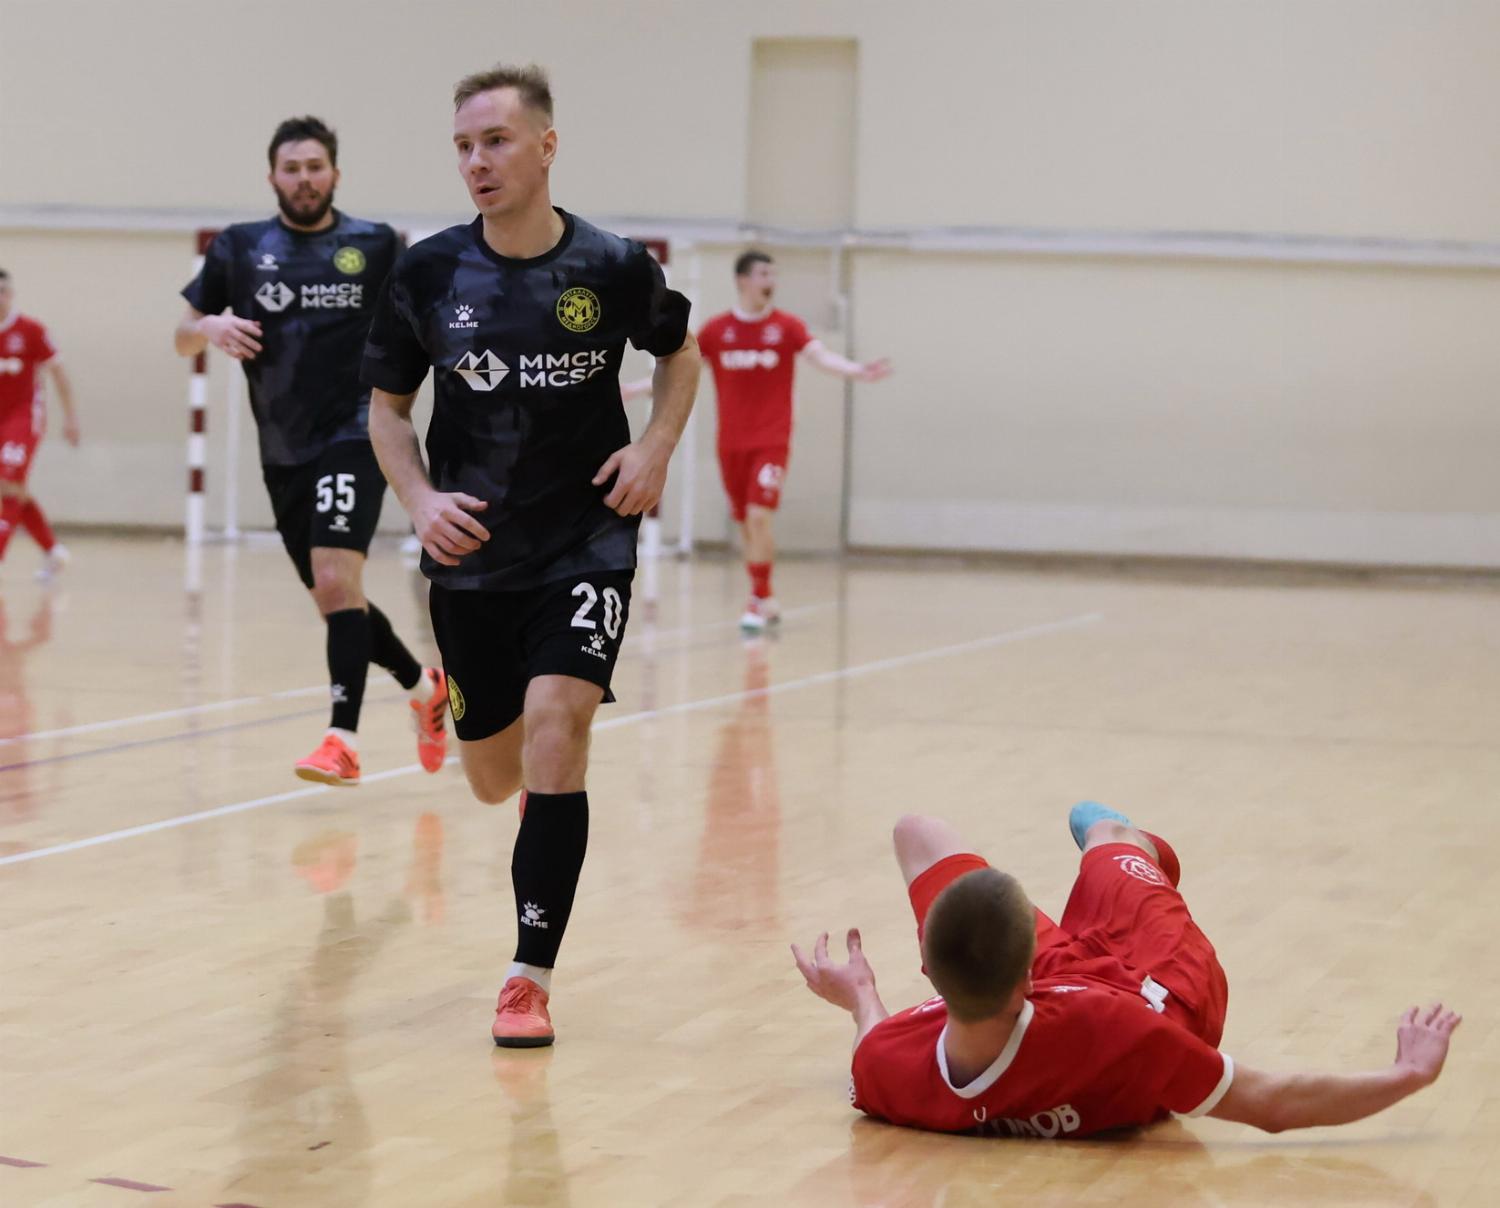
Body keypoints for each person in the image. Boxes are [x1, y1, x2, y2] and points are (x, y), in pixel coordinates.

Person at [363, 64, 698, 1048]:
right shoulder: (427, 274)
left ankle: (527, 975)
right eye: (464, 146)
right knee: (491, 778)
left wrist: (655, 447)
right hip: (473, 557)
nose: (478, 161)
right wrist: (420, 500)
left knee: (561, 724)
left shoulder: (613, 266)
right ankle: (454, 706)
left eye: (497, 141)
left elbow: (680, 354)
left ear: (546, 147)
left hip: (587, 539)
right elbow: (387, 411)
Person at [793, 801, 1461, 1138]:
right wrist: (1406, 1075)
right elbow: (1271, 1102)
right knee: (1106, 838)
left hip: (1050, 986)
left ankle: (1098, 866)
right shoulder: (1121, 1035)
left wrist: (862, 995)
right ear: (1027, 974)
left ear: (931, 975)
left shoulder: (886, 1065)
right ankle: (1128, 845)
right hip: (1157, 985)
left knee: (914, 832)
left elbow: (873, 1039)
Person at [174, 116, 447, 787]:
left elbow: (424, 322)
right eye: (292, 168)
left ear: (335, 174)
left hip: (358, 430)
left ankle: (341, 740)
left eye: (315, 167)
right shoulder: (240, 247)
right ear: (272, 177)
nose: (304, 179)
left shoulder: (375, 244)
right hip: (284, 449)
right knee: (335, 594)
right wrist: (210, 326)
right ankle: (425, 688)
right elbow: (182, 335)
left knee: (334, 575)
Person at [624, 250, 890, 631]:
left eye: (773, 274)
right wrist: (632, 390)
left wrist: (858, 371)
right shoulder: (718, 331)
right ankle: (765, 597)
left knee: (759, 515)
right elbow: (681, 370)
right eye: (764, 273)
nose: (771, 281)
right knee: (746, 523)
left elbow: (820, 357)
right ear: (743, 280)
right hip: (731, 443)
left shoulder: (786, 327)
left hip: (772, 440)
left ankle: (758, 597)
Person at [0, 268, 80, 579]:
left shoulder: (30, 330)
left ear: (11, 295)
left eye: (3, 292)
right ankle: (53, 551)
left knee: (6, 484)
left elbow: (58, 372)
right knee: (15, 489)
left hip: (23, 419)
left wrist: (71, 418)